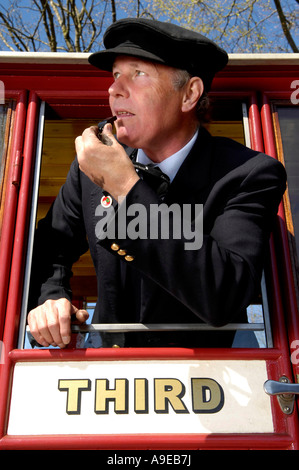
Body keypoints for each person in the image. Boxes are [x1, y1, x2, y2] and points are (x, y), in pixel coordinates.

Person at [27, 18, 286, 349]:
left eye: (138, 74)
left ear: (189, 93)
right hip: (104, 383)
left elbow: (223, 295)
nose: (114, 89)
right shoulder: (87, 174)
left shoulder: (249, 174)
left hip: (211, 384)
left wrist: (126, 187)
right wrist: (51, 297)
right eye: (116, 75)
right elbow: (49, 250)